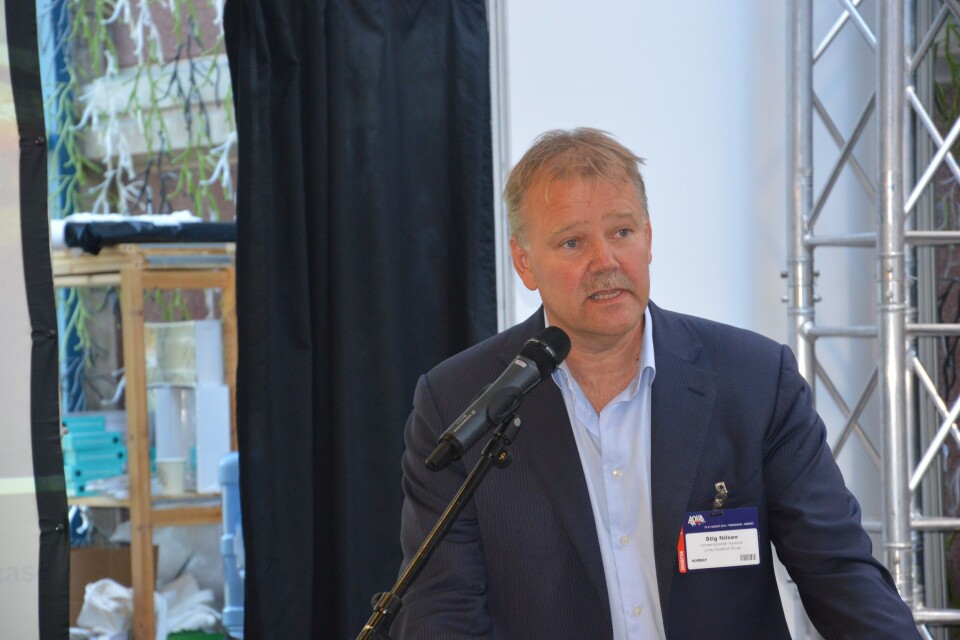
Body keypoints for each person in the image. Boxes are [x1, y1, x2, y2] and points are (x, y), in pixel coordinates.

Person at [390, 128, 919, 639]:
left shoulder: (754, 380)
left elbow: (840, 574)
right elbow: (441, 610)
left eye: (622, 231)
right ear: (524, 263)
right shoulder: (461, 402)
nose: (606, 261)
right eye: (573, 242)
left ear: (648, 235)